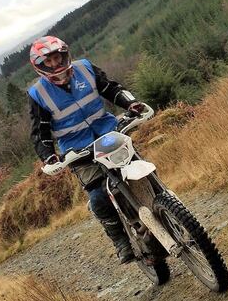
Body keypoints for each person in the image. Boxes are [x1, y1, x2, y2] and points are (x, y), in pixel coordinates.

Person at [27, 35, 145, 264]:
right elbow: (39, 132)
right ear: (40, 66)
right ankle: (121, 240)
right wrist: (49, 156)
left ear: (64, 54)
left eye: (57, 57)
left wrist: (131, 103)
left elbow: (111, 88)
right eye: (48, 61)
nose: (55, 63)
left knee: (139, 167)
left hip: (109, 133)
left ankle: (164, 202)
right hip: (77, 150)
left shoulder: (85, 68)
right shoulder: (38, 94)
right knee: (98, 196)